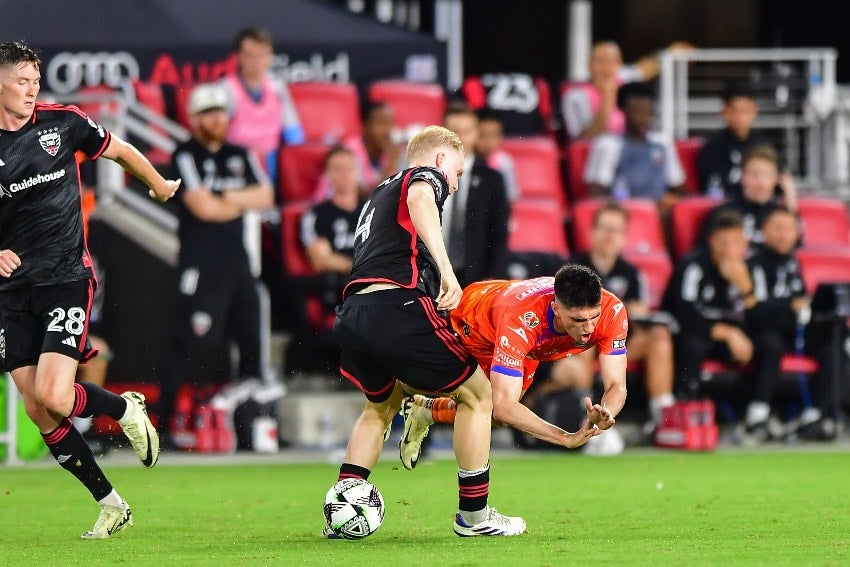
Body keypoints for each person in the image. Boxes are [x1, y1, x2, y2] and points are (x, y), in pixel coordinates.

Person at [0, 41, 178, 538]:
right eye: (21, 81)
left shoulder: (63, 122)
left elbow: (119, 150)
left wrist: (158, 183)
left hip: (65, 278)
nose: (32, 90)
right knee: (37, 408)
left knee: (55, 394)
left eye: (35, 80)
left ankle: (124, 407)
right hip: (11, 292)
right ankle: (111, 504)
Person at [328, 125, 526, 537]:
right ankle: (474, 517)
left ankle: (344, 510)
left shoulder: (379, 193)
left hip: (354, 312)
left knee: (377, 407)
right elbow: (422, 198)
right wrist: (447, 272)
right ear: (439, 161)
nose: (453, 185)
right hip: (396, 306)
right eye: (455, 172)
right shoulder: (424, 179)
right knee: (479, 394)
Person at [398, 263, 626, 468]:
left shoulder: (612, 311)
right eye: (578, 320)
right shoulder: (522, 319)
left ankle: (424, 411)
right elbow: (504, 406)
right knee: (489, 406)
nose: (588, 328)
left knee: (497, 417)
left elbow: (616, 384)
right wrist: (565, 438)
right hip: (477, 323)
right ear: (556, 308)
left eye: (593, 317)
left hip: (531, 342)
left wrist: (606, 413)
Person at [158, 83, 276, 450]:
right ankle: (163, 426)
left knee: (250, 344)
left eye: (222, 112)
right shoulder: (184, 155)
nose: (217, 119)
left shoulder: (242, 154)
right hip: (200, 265)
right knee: (189, 341)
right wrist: (238, 202)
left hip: (238, 263)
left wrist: (224, 198)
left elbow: (267, 195)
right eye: (209, 113)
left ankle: (250, 429)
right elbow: (201, 208)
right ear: (194, 118)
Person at [525, 202, 675, 439]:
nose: (610, 236)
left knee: (659, 337)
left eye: (616, 230)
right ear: (592, 232)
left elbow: (638, 312)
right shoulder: (572, 269)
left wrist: (634, 311)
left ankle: (664, 417)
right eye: (605, 228)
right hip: (579, 341)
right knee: (583, 347)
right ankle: (588, 421)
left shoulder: (630, 273)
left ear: (624, 237)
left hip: (614, 338)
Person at [744, 206, 837, 441]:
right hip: (765, 330)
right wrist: (789, 308)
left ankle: (818, 414)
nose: (784, 234)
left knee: (833, 335)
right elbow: (755, 310)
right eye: (777, 228)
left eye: (789, 229)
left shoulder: (793, 264)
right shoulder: (755, 264)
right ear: (763, 230)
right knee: (770, 343)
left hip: (793, 330)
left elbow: (801, 301)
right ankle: (758, 413)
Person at [286, 145, 364, 374]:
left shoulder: (372, 211)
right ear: (327, 176)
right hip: (337, 285)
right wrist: (360, 268)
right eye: (337, 169)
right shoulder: (317, 215)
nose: (344, 175)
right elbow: (320, 260)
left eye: (349, 168)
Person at [661, 209, 752, 400]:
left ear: (745, 245)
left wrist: (746, 289)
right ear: (711, 242)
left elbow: (759, 317)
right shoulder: (693, 266)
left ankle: (756, 410)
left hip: (728, 337)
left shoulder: (751, 270)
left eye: (735, 243)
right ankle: (685, 402)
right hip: (688, 332)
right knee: (693, 343)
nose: (728, 250)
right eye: (722, 242)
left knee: (766, 343)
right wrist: (727, 333)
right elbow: (683, 313)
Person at [583, 81, 686, 214]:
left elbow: (678, 187)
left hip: (659, 214)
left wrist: (670, 199)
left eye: (648, 113)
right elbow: (597, 192)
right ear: (624, 112)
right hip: (623, 214)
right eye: (637, 113)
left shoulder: (662, 143)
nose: (644, 119)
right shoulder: (608, 145)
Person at [561, 40, 694, 141]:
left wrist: (673, 51)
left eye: (612, 61)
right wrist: (608, 97)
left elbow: (645, 69)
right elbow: (585, 139)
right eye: (600, 61)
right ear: (589, 65)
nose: (606, 67)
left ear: (619, 65)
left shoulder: (624, 79)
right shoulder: (574, 96)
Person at [221, 26, 304, 180]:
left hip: (273, 163)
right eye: (250, 56)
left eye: (263, 55)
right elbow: (217, 137)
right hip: (237, 165)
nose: (257, 62)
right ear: (238, 57)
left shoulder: (277, 87)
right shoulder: (226, 90)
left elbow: (293, 132)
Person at [441, 102, 510, 288]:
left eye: (467, 131)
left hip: (474, 277)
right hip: (431, 275)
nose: (460, 138)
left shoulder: (492, 180)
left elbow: (498, 234)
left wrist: (493, 282)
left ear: (476, 134)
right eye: (453, 131)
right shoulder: (426, 175)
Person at [696, 145, 798, 251]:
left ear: (777, 179)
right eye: (755, 175)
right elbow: (704, 253)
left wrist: (790, 206)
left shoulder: (779, 215)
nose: (761, 183)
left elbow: (793, 250)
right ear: (743, 177)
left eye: (767, 176)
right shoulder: (724, 213)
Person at [313, 102, 405, 202]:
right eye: (382, 123)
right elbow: (364, 199)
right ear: (365, 126)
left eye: (390, 123)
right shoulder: (348, 152)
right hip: (330, 211)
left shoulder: (392, 151)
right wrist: (390, 165)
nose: (388, 130)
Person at [696, 80, 770, 197]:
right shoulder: (712, 149)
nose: (740, 117)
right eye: (735, 111)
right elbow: (711, 189)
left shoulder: (765, 147)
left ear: (755, 110)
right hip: (726, 210)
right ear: (724, 111)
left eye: (746, 111)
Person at [475, 110, 520, 201]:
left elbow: (511, 197)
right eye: (483, 135)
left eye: (494, 135)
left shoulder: (504, 163)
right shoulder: (465, 161)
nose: (488, 142)